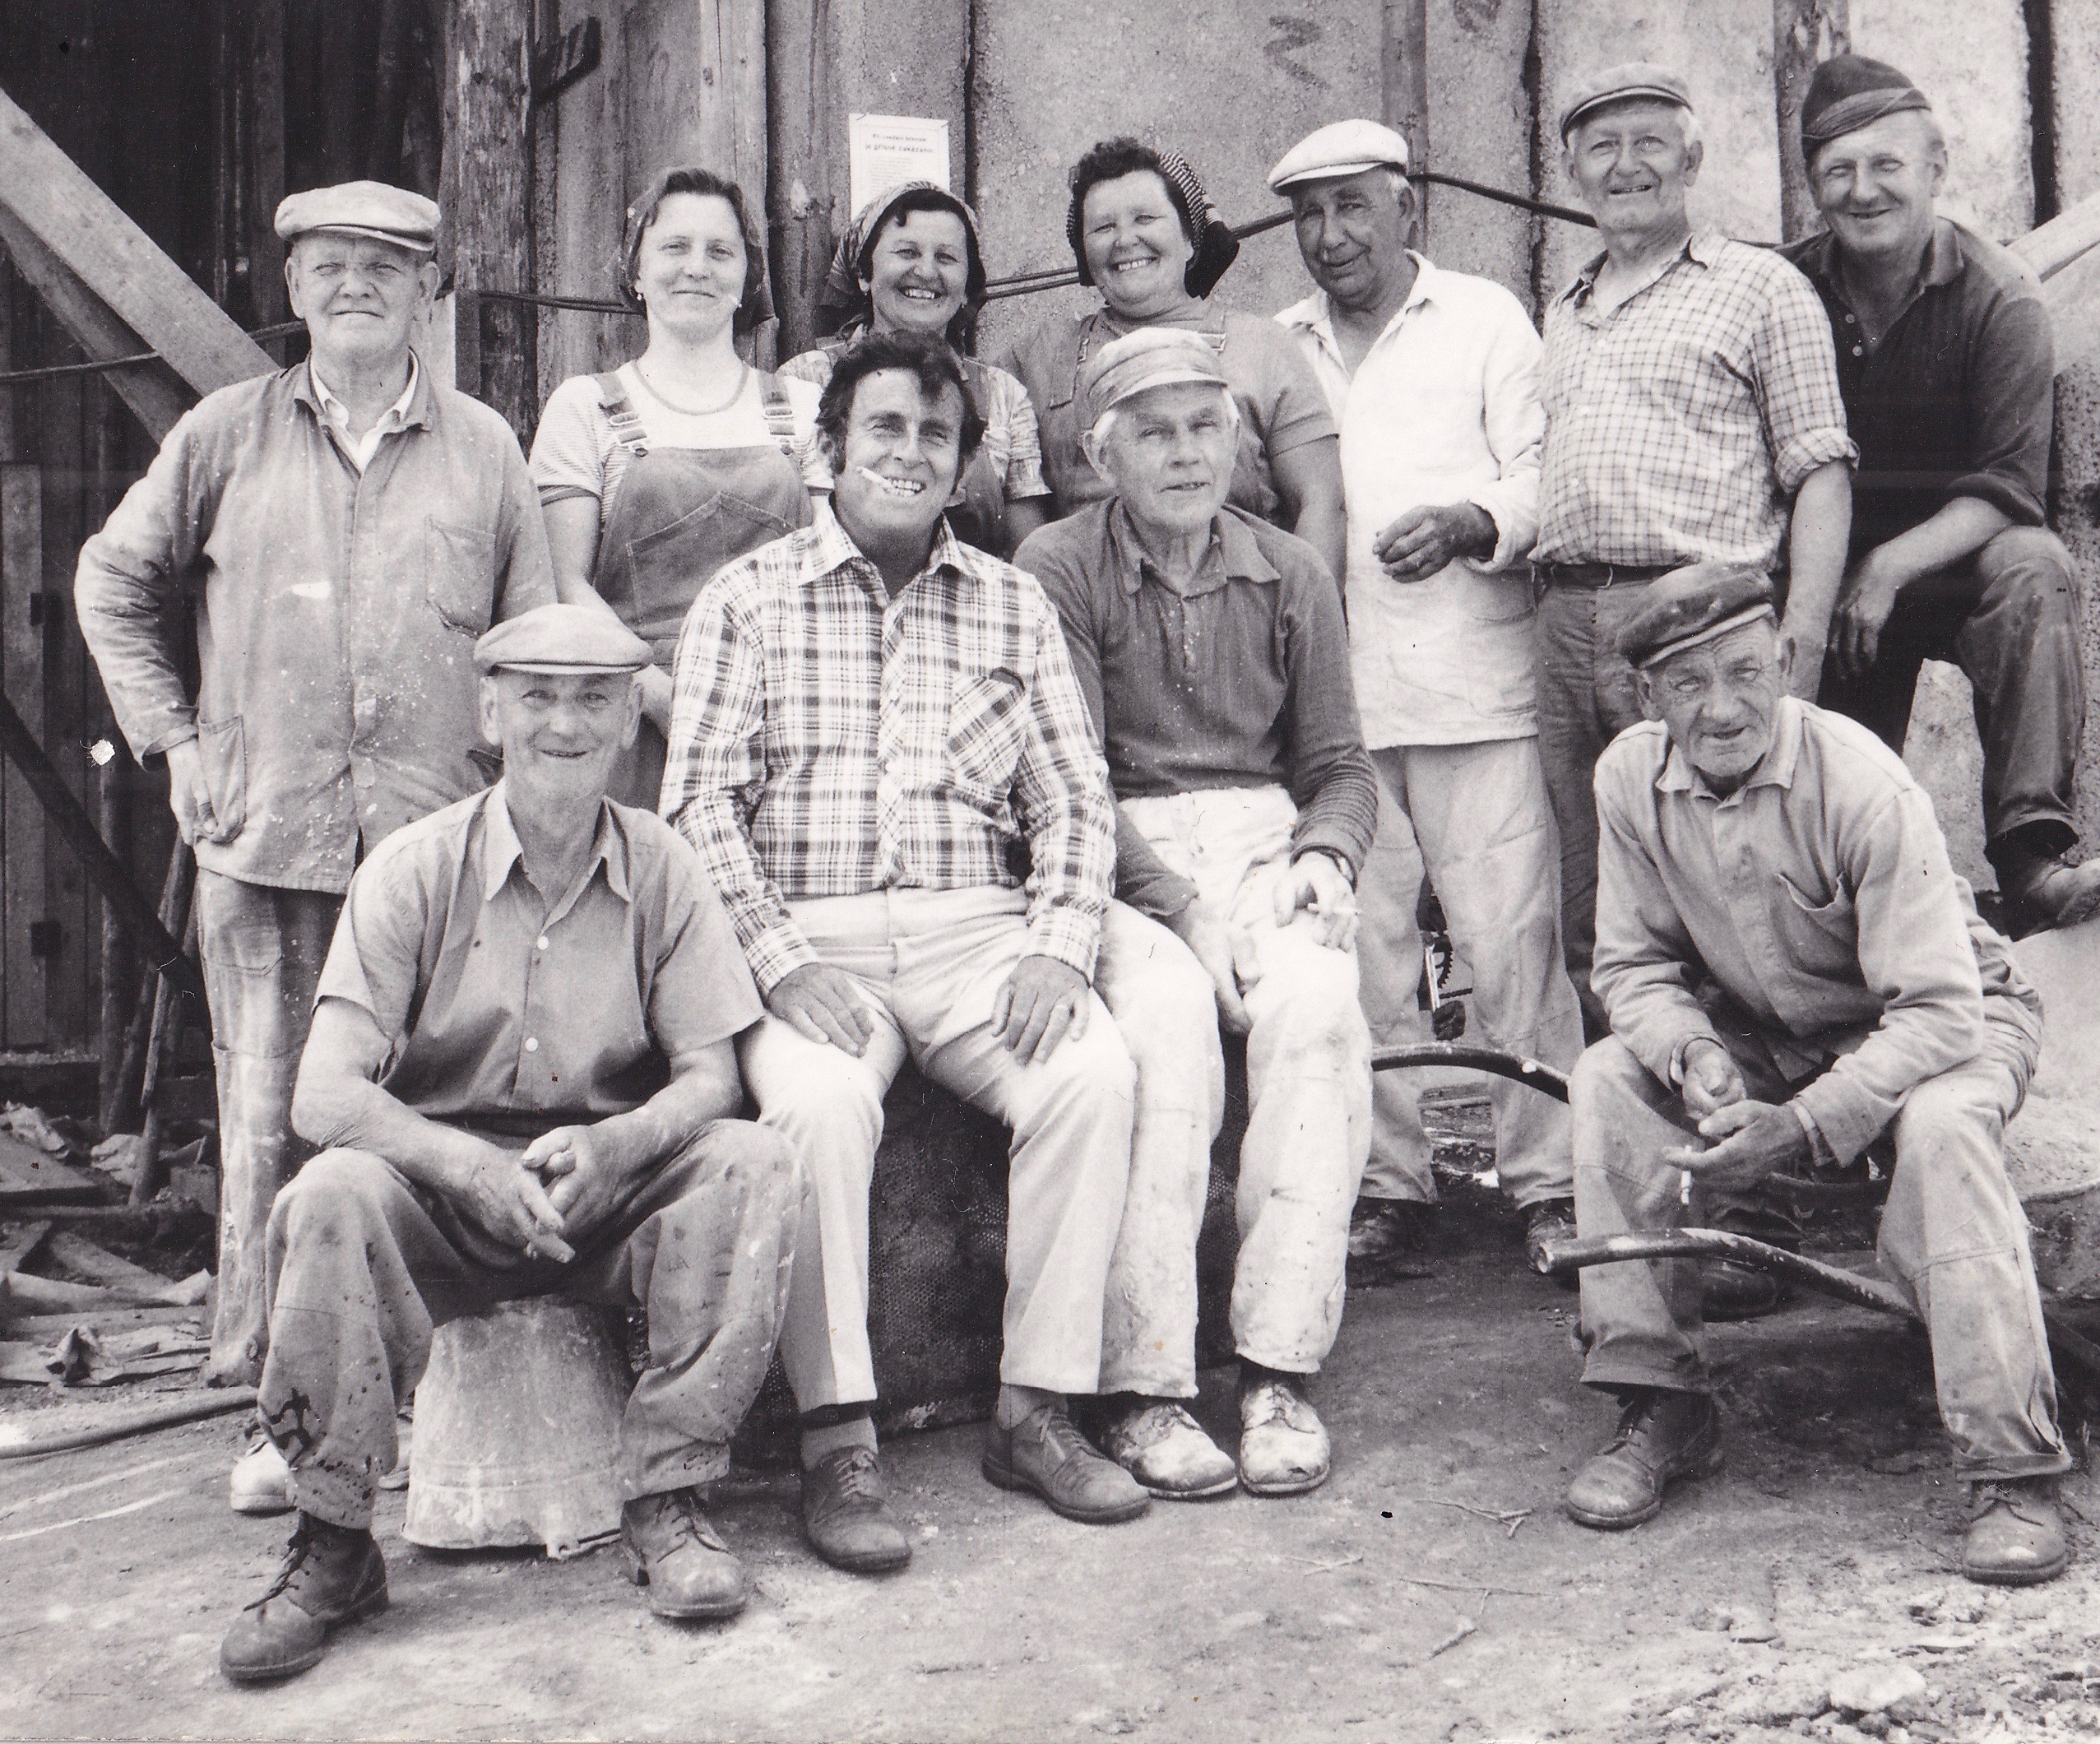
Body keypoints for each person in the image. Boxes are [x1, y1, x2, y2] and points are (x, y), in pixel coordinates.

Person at [216, 603, 801, 1683]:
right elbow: (324, 1093)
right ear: (491, 711)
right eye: (537, 697)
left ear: (628, 720)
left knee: (751, 1162)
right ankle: (334, 1542)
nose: (564, 725)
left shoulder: (665, 867)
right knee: (332, 1191)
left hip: (600, 1199)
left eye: (594, 700)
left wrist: (622, 1145)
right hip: (440, 1204)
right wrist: (467, 1168)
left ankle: (670, 1498)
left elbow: (712, 1076)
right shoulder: (413, 867)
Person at [74, 180, 554, 1449]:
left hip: (437, 862)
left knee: (433, 1126)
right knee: (270, 1121)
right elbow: (112, 581)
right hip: (268, 840)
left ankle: (421, 1400)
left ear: (428, 290)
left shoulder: (485, 449)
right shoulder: (226, 434)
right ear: (291, 287)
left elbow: (534, 644)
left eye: (385, 267)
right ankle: (274, 1410)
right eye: (330, 265)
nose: (356, 286)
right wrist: (175, 739)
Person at [663, 328, 1149, 1568]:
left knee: (1091, 1074)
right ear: (829, 447)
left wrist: (1057, 946)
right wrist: (780, 961)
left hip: (977, 931)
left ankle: (1036, 1410)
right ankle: (840, 1444)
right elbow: (699, 806)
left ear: (965, 464)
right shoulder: (746, 598)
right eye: (883, 426)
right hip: (808, 935)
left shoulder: (1010, 601)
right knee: (819, 1108)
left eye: (937, 434)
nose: (910, 453)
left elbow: (1074, 798)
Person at [1559, 563, 2070, 1589]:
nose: (1721, 708)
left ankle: (2013, 1466)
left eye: (1745, 672)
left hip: (1947, 1018)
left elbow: (1940, 1008)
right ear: (1649, 697)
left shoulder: (1864, 781)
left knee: (1942, 1130)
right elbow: (1632, 967)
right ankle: (1662, 1401)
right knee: (1610, 1076)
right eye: (1687, 683)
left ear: (1786, 663)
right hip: (1774, 1026)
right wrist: (1694, 1052)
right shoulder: (1627, 779)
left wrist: (1799, 1126)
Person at [1020, 329, 1378, 1499]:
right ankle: (1145, 1386)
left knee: (1318, 1005)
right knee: (1167, 1025)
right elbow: (1068, 782)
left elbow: (1339, 766)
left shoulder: (1290, 570)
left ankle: (1277, 1369)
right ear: (1102, 456)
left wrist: (1323, 856)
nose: (1186, 454)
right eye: (1155, 433)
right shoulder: (1058, 566)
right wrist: (1180, 911)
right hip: (1112, 851)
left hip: (1262, 842)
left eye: (1206, 428)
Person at [1268, 118, 1586, 1268]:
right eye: (1310, 213)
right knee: (1363, 953)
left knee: (1512, 943)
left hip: (1473, 688)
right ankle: (1386, 1183)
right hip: (1337, 705)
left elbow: (1546, 471)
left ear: (1409, 208)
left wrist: (1470, 521)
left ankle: (1552, 1182)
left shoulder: (1486, 318)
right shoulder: (1281, 342)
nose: (1331, 234)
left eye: (1353, 205)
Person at [1530, 64, 1857, 1030]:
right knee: (1597, 887)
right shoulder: (1564, 308)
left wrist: (1799, 641)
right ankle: (1626, 1096)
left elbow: (1821, 471)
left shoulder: (1762, 287)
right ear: (1573, 169)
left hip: (1699, 623)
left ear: (1692, 158)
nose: (1625, 165)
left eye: (1650, 143)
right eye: (1602, 146)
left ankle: (1747, 1104)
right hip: (1566, 619)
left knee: (1727, 874)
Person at [1782, 53, 2100, 933]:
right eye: (1838, 170)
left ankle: (2032, 855)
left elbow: (2010, 484)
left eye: (1887, 164)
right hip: (1819, 581)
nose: (1863, 190)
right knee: (1835, 861)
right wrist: (1824, 588)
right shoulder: (1781, 290)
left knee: (2033, 567)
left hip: (1946, 569)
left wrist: (1888, 567)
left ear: (1936, 167)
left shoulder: (2000, 295)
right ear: (1813, 187)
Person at [528, 166, 826, 809]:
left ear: (747, 278)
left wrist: (764, 700)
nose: (697, 267)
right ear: (635, 271)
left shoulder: (804, 409)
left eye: (720, 251)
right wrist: (663, 695)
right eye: (674, 248)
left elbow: (832, 571)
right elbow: (563, 582)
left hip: (784, 717)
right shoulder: (584, 407)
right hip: (635, 715)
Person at [994, 137, 1346, 574]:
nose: (1125, 240)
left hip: (1244, 606)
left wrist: (1306, 612)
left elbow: (1321, 503)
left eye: (1145, 218)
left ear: (1189, 238)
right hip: (1088, 610)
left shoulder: (1264, 346)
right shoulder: (1041, 356)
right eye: (1103, 227)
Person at [779, 181, 1053, 557]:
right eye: (907, 252)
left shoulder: (1003, 395)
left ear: (966, 288)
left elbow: (1028, 551)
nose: (926, 271)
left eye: (946, 258)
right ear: (864, 275)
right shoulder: (804, 380)